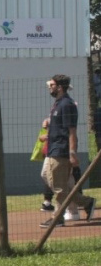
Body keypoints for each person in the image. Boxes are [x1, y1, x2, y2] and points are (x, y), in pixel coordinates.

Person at [41, 75, 95, 227]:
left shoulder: (67, 104)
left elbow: (72, 132)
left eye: (51, 85)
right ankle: (86, 202)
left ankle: (58, 218)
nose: (49, 87)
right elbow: (59, 128)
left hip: (61, 150)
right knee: (48, 176)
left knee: (58, 187)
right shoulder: (58, 104)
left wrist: (72, 153)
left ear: (59, 87)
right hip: (53, 148)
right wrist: (48, 134)